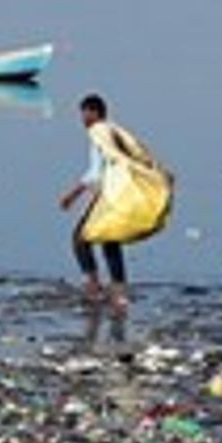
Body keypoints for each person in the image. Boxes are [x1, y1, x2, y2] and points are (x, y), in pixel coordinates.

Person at [58, 93, 165, 310]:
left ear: (95, 113)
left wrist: (73, 194)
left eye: (86, 114)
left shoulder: (100, 134)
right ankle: (119, 293)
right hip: (115, 194)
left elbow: (96, 173)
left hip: (106, 195)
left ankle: (94, 286)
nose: (83, 119)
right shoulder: (113, 132)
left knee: (80, 239)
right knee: (110, 242)